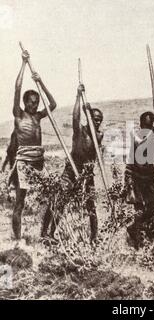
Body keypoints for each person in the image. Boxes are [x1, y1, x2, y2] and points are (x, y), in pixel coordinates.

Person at [41, 84, 103, 243]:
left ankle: (94, 238)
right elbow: (75, 117)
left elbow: (96, 153)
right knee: (58, 200)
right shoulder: (79, 131)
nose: (97, 122)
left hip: (86, 173)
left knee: (91, 205)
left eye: (99, 120)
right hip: (71, 169)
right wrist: (78, 96)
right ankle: (47, 233)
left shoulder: (99, 136)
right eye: (94, 119)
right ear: (89, 118)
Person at [8, 50, 57, 240]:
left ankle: (45, 233)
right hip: (24, 162)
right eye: (31, 103)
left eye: (36, 103)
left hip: (38, 162)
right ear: (24, 103)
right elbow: (17, 88)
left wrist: (41, 82)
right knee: (20, 201)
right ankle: (18, 240)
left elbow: (52, 104)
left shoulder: (38, 116)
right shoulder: (19, 114)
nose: (34, 106)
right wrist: (23, 64)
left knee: (53, 196)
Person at [125, 111, 154, 249]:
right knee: (138, 208)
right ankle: (138, 243)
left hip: (148, 177)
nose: (148, 129)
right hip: (134, 175)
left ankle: (135, 228)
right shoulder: (136, 135)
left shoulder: (153, 136)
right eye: (146, 126)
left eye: (150, 126)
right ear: (141, 125)